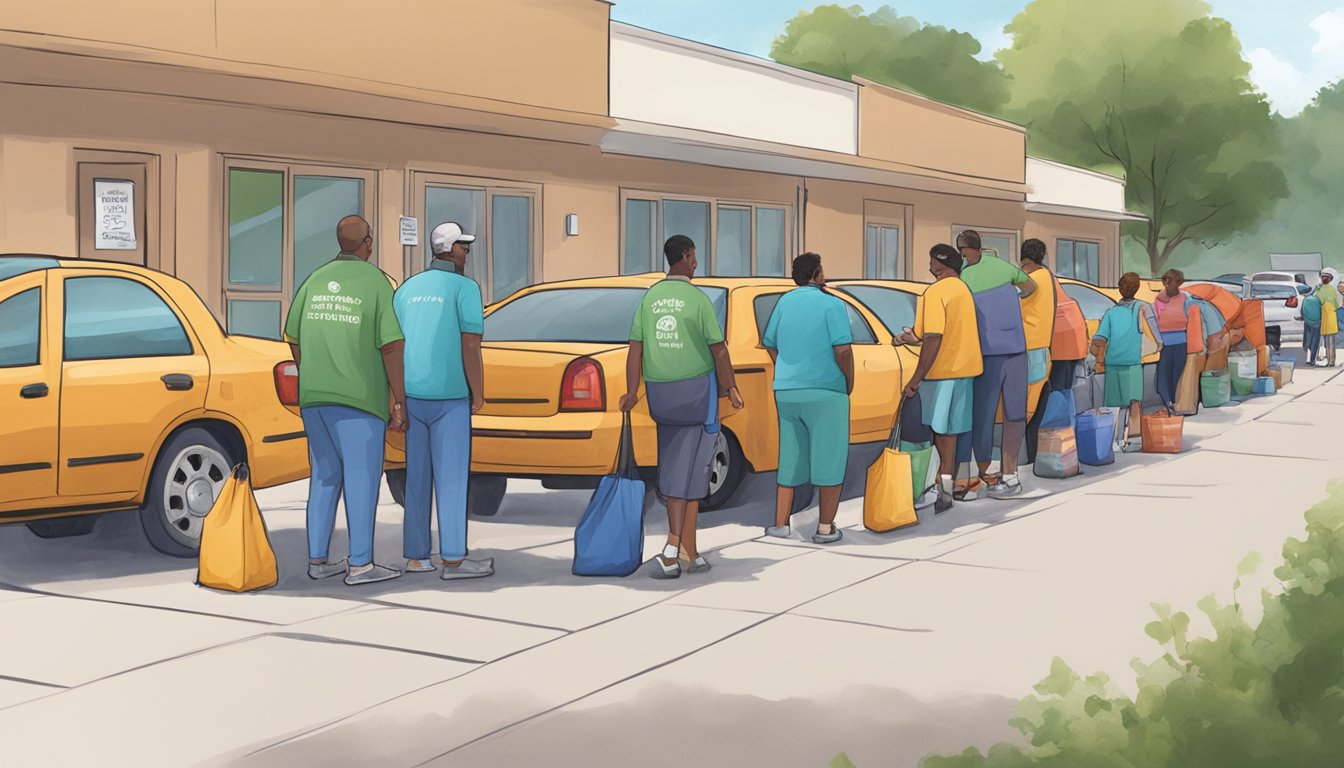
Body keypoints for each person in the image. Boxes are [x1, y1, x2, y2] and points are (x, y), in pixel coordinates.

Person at [284, 215, 406, 586]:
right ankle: (361, 565)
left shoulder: (315, 279)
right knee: (361, 478)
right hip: (358, 399)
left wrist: (313, 373)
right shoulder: (376, 283)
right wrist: (398, 399)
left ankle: (318, 560)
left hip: (315, 399)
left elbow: (292, 335)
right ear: (367, 242)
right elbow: (391, 345)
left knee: (323, 478)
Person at [620, 235, 744, 578]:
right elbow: (718, 349)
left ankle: (690, 551)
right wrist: (730, 387)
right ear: (686, 256)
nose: (696, 263)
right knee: (689, 473)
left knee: (684, 469)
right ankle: (673, 548)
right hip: (696, 394)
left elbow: (635, 348)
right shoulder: (697, 299)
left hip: (662, 394)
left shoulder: (651, 298)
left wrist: (633, 391)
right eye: (694, 257)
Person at [393, 222, 492, 581]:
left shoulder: (407, 289)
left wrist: (396, 398)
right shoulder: (465, 289)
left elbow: (395, 345)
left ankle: (417, 556)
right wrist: (477, 391)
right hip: (450, 396)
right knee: (451, 477)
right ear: (450, 250)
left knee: (417, 477)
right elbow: (470, 345)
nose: (467, 253)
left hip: (413, 394)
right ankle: (453, 558)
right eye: (463, 247)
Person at [761, 253, 854, 542]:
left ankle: (780, 524)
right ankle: (825, 528)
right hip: (826, 391)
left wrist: (787, 368)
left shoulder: (784, 302)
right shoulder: (832, 304)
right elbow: (844, 351)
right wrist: (848, 381)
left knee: (789, 457)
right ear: (817, 274)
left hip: (787, 391)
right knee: (830, 459)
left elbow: (770, 343)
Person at [894, 244, 983, 513]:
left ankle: (922, 490)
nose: (929, 266)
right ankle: (945, 490)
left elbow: (933, 337)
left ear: (939, 264)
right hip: (965, 371)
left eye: (931, 261)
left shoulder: (934, 292)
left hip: (941, 373)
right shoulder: (963, 290)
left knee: (934, 435)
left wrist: (915, 379)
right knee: (951, 436)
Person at [956, 229, 1037, 499]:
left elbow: (1030, 287)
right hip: (1002, 351)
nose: (963, 255)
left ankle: (1005, 472)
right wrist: (1012, 299)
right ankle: (995, 472)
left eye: (964, 250)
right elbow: (1029, 287)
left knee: (1001, 414)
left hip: (998, 352)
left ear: (974, 249)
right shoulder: (998, 268)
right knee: (992, 415)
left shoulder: (964, 277)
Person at [1090, 273, 1160, 452]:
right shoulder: (1143, 308)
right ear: (1136, 288)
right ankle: (1133, 439)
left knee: (1113, 403)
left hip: (1113, 362)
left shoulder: (1111, 313)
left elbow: (1099, 339)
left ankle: (1113, 441)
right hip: (1133, 362)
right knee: (1134, 401)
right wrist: (1159, 344)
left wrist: (1097, 356)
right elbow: (1154, 331)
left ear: (1120, 289)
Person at [1018, 239, 1059, 463]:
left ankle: (1025, 458)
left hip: (1028, 346)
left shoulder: (1028, 280)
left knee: (1025, 407)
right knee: (1036, 404)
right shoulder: (1048, 276)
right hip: (1043, 347)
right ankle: (1032, 457)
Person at [1152, 269, 1199, 405]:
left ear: (1179, 283)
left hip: (1181, 341)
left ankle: (1176, 401)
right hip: (1164, 342)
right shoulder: (1158, 299)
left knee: (1178, 374)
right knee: (1163, 374)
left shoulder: (1186, 298)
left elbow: (1192, 318)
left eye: (1170, 281)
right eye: (1165, 280)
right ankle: (1167, 401)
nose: (1167, 284)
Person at [1316, 269, 1340, 367]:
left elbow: (1319, 300)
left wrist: (1317, 290)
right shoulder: (1333, 290)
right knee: (1331, 341)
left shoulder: (1320, 290)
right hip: (1331, 317)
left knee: (1325, 340)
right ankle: (1331, 360)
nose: (1324, 279)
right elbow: (1337, 304)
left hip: (1325, 316)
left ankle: (1329, 360)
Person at [1302, 291, 1322, 366]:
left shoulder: (1306, 300)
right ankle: (1313, 360)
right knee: (1315, 342)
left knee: (1308, 340)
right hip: (1317, 323)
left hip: (1307, 322)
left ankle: (1307, 358)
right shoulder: (1317, 300)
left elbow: (1302, 311)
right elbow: (1320, 311)